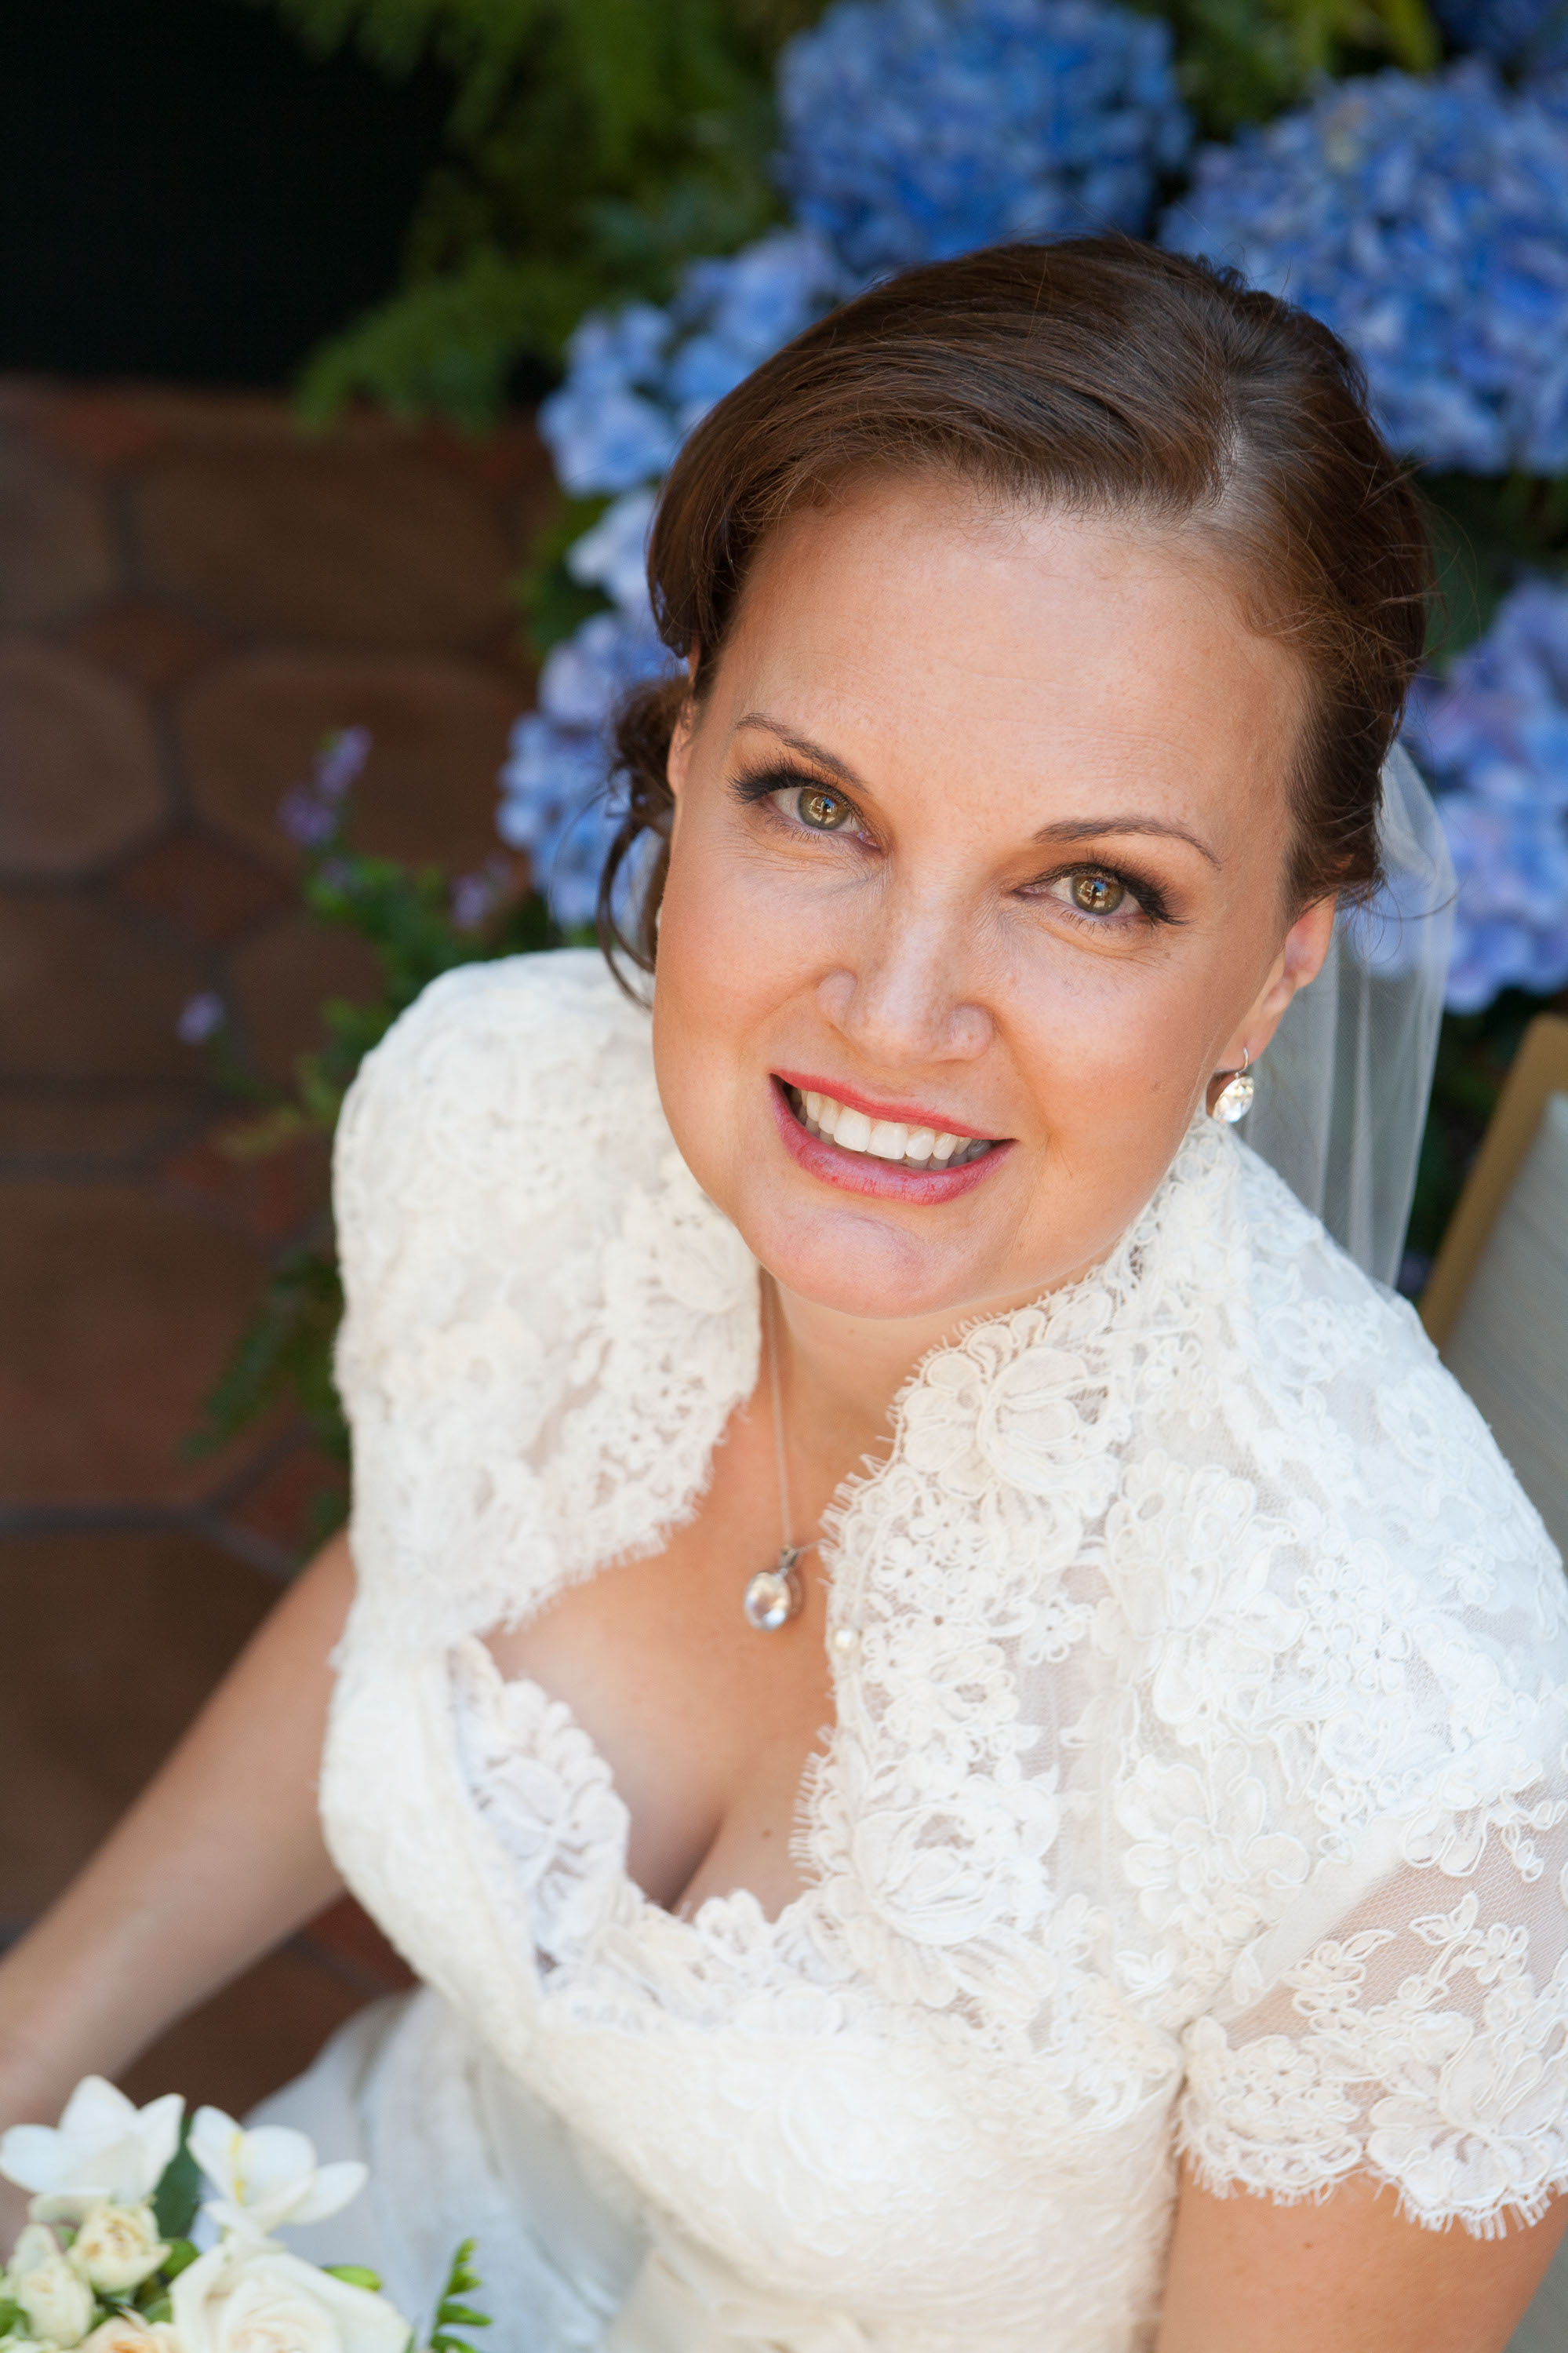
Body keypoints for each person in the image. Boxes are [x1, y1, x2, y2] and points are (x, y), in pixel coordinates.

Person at [3, 239, 1567, 2353]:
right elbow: (435, 1566)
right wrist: (26, 2065)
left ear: (1284, 964)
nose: (899, 1010)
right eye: (813, 800)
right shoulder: (516, 1125)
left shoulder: (1425, 1821)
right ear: (680, 768)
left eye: (1096, 889)